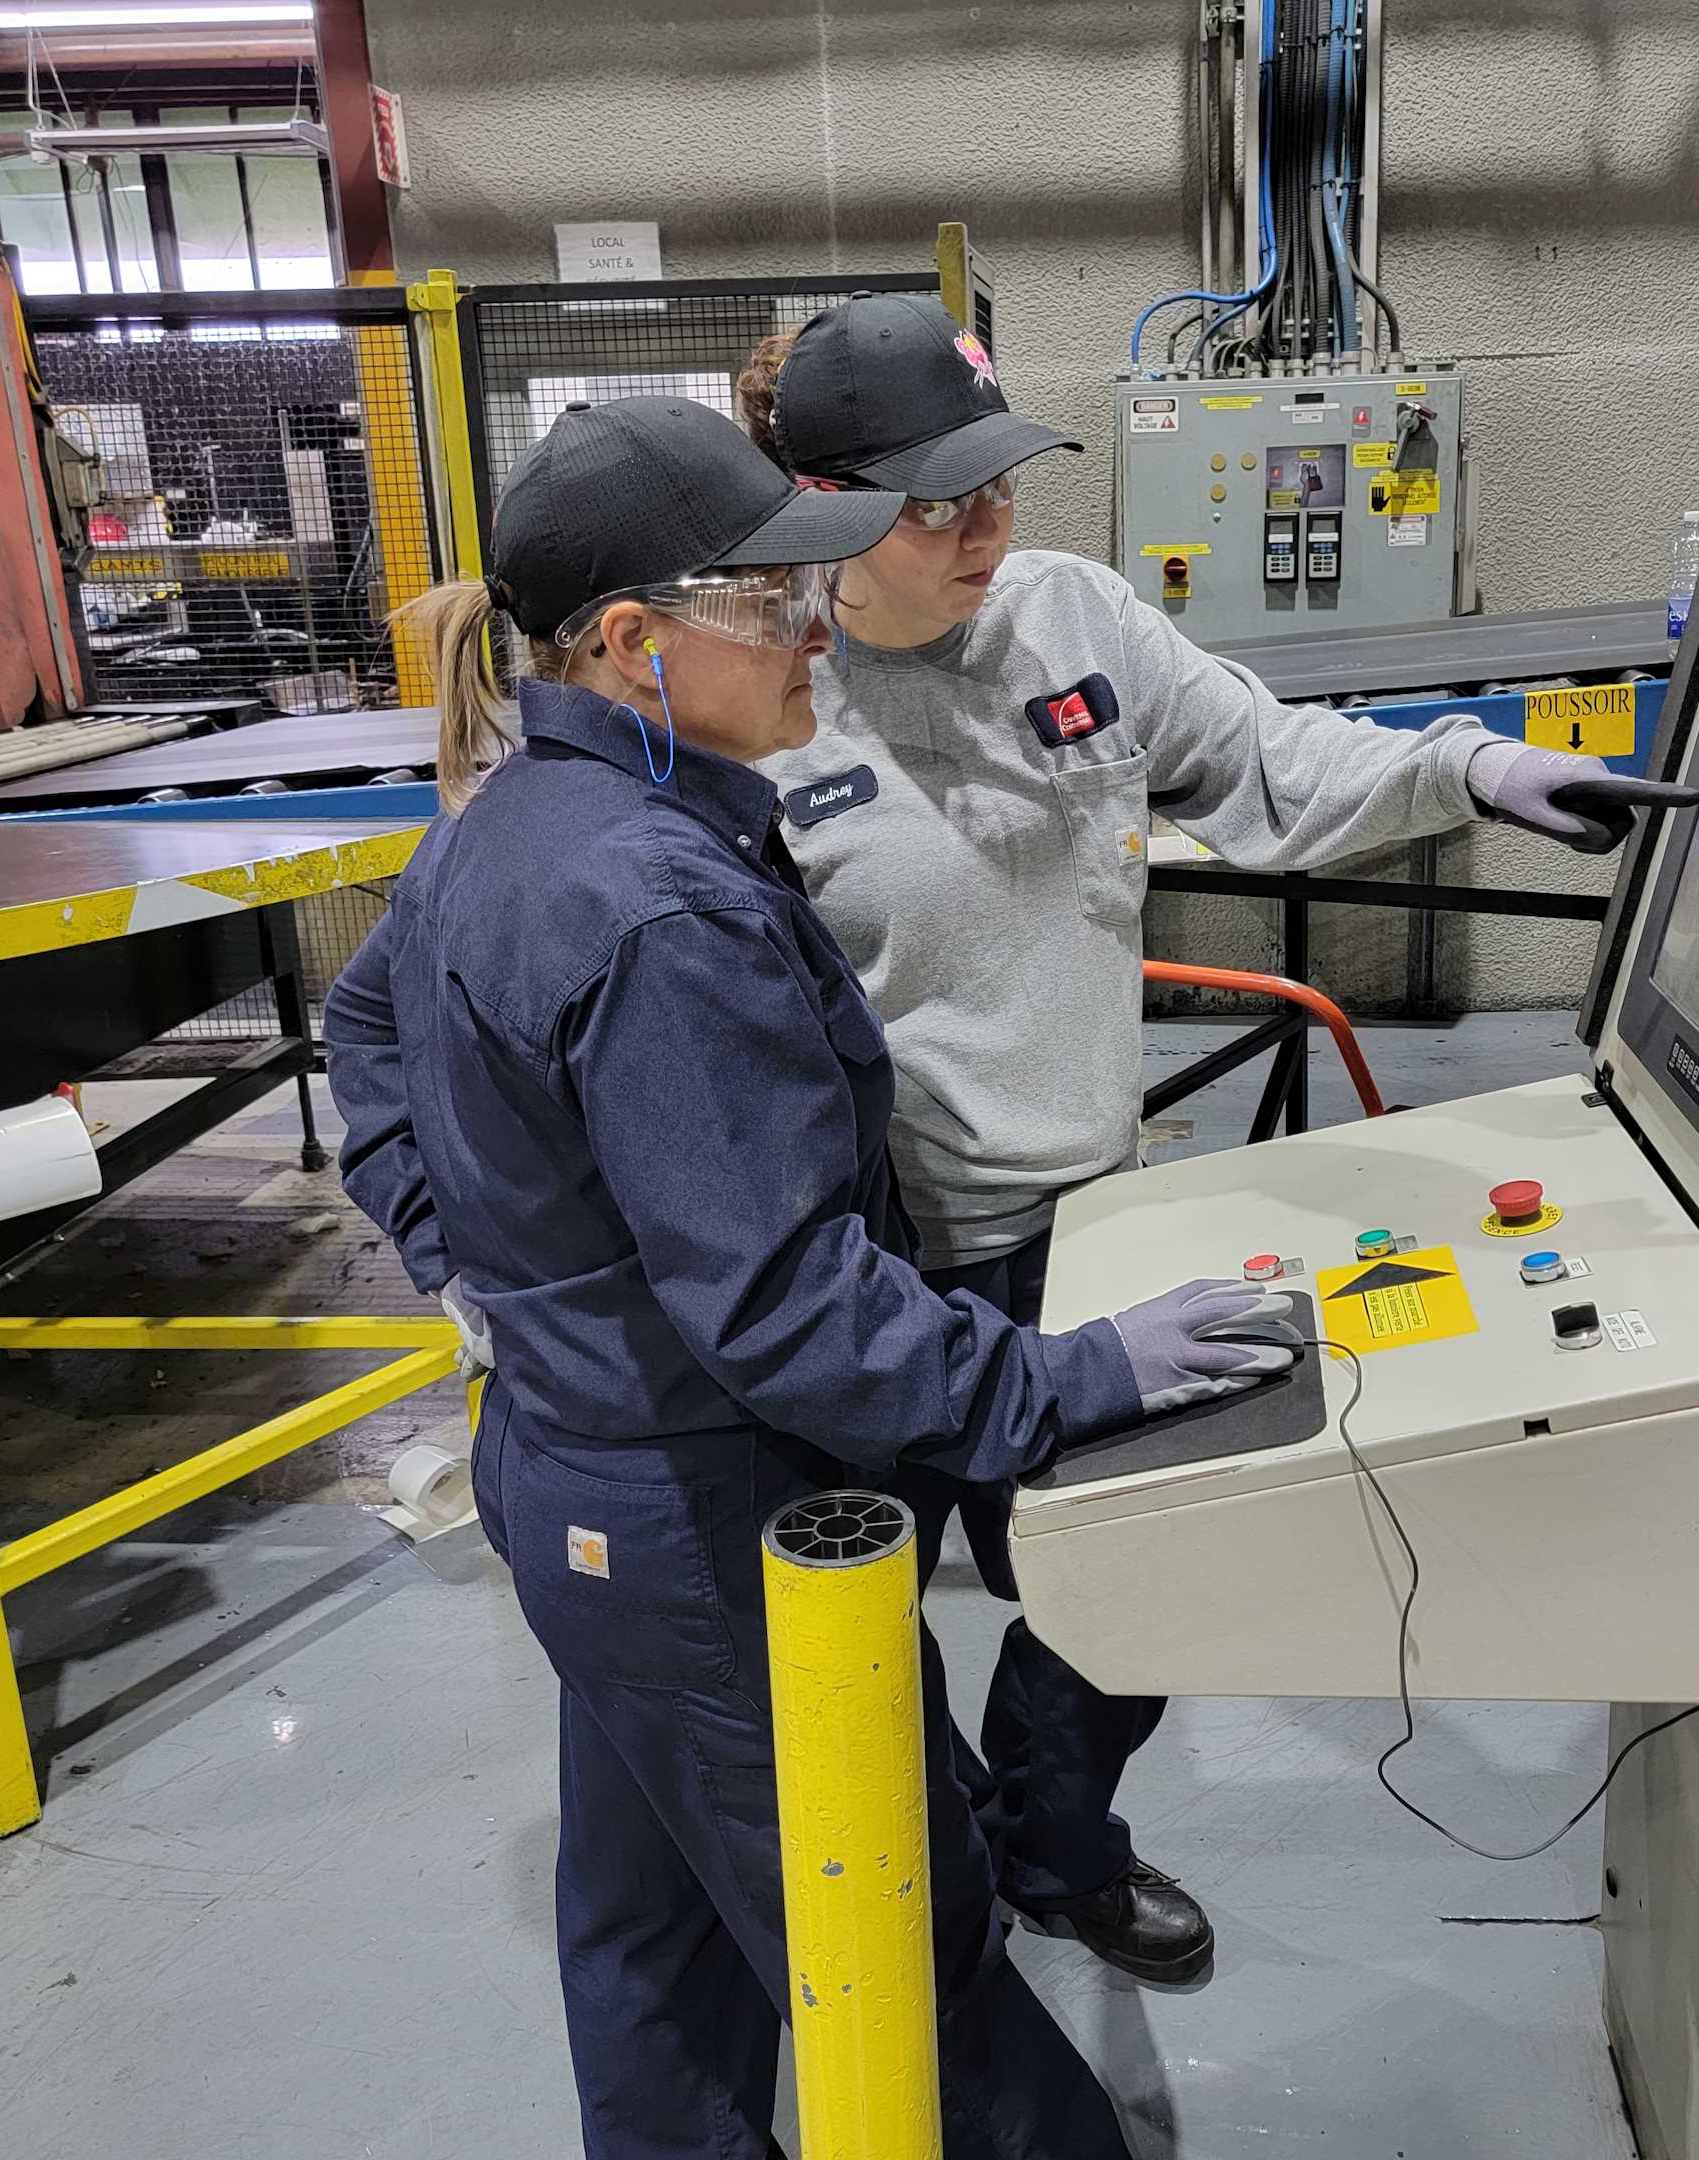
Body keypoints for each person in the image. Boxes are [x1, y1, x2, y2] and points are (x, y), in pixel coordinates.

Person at [321, 394, 1301, 2159]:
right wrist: (1081, 1378)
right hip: (698, 1523)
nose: (813, 630)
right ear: (636, 645)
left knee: (649, 1944)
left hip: (575, 1483)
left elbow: (364, 1018)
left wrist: (474, 1263)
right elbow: (790, 1311)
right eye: (770, 601)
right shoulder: (657, 902)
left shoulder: (522, 811)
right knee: (908, 1964)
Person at [736, 297, 1696, 1983]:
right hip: (872, 1271)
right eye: (935, 505)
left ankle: (1051, 1851)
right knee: (861, 1625)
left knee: (1130, 1589)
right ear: (822, 506)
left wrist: (1472, 774)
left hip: (1084, 1227)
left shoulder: (1073, 619)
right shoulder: (757, 692)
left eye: (998, 486)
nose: (984, 530)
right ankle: (930, 1881)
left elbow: (1266, 759)